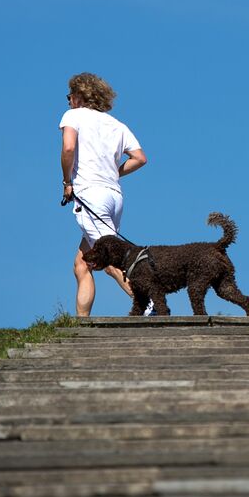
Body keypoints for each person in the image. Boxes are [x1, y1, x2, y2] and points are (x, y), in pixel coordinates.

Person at [59, 72, 147, 317]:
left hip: (90, 195)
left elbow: (68, 147)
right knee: (83, 264)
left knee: (110, 260)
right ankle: (81, 324)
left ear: (79, 96)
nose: (67, 100)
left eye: (69, 96)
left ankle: (149, 305)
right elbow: (140, 158)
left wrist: (67, 182)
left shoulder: (73, 116)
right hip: (114, 196)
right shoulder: (117, 125)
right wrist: (113, 173)